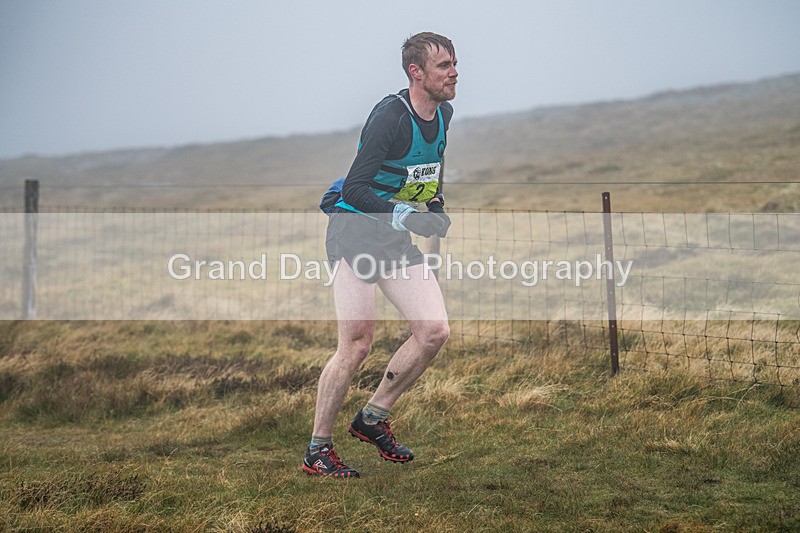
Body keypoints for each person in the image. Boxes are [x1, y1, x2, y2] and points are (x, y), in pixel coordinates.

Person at [303, 32, 458, 478]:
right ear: (416, 72)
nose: (454, 73)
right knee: (356, 345)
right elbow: (354, 188)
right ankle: (318, 449)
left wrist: (435, 207)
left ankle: (372, 418)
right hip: (353, 233)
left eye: (454, 63)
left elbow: (428, 168)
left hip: (391, 236)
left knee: (434, 331)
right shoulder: (390, 116)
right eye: (444, 65)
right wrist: (408, 218)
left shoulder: (444, 113)